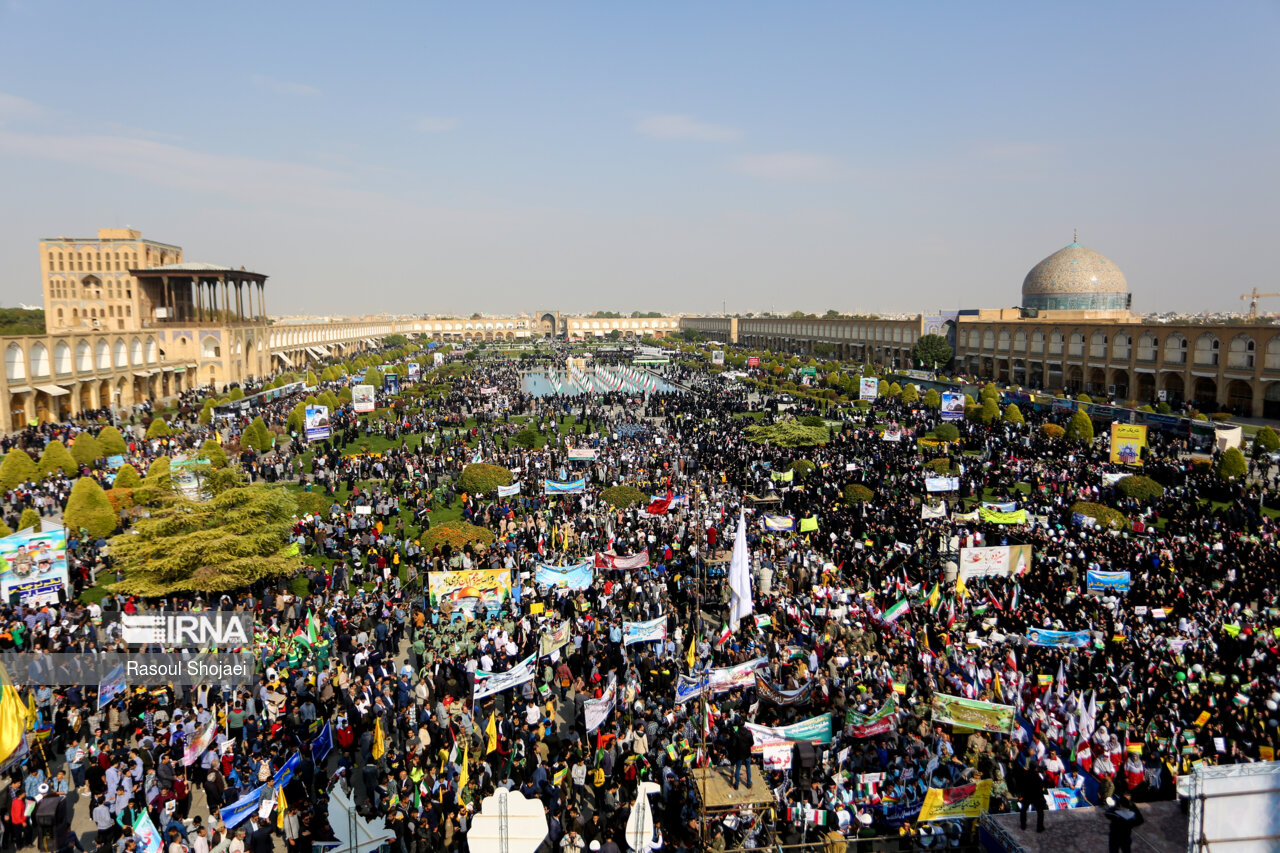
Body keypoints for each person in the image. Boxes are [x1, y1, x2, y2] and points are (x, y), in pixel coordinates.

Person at [1017, 760, 1047, 833]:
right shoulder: (1037, 776)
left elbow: (1021, 785)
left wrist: (1021, 794)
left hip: (1027, 795)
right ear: (1035, 768)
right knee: (1040, 812)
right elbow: (1041, 786)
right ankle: (1039, 827)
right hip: (1036, 796)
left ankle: (1023, 825)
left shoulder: (1025, 774)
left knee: (1024, 809)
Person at [728, 720, 753, 791]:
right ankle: (748, 784)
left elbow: (733, 744)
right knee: (748, 767)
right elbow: (752, 743)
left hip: (739, 753)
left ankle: (736, 785)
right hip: (747, 753)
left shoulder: (737, 734)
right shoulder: (749, 733)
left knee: (738, 768)